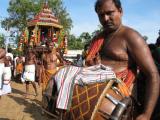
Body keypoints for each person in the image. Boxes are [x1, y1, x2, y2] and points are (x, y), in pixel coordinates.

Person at [84, 0, 159, 119]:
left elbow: (153, 74)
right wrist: (93, 66)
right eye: (101, 15)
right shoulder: (97, 38)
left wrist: (146, 114)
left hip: (121, 101)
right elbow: (87, 65)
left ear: (120, 11)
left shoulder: (131, 37)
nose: (105, 18)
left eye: (110, 13)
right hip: (93, 97)